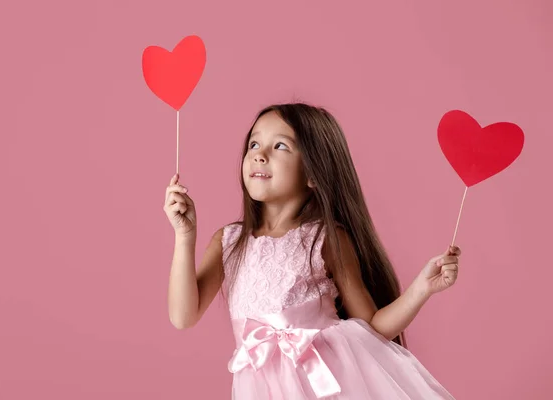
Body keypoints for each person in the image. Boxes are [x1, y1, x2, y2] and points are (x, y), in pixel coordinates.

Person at [164, 103, 461, 399]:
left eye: (280, 146)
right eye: (254, 143)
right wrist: (185, 235)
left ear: (313, 174)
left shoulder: (324, 239)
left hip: (326, 386)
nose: (258, 154)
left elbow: (372, 328)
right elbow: (183, 316)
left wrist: (422, 288)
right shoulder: (228, 242)